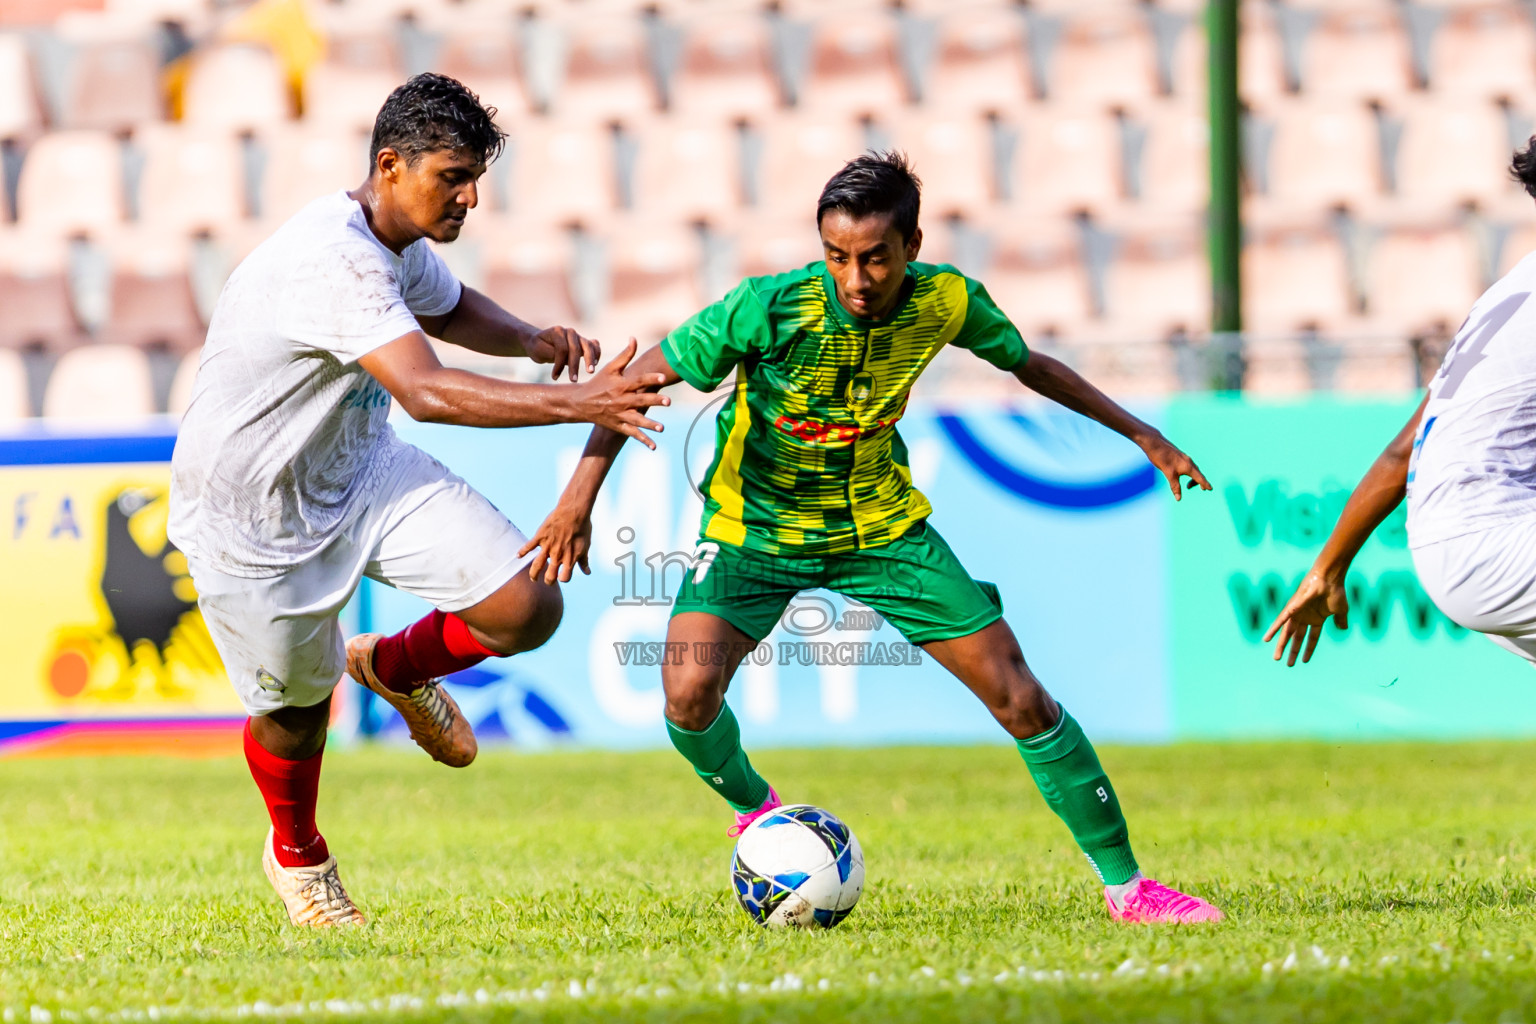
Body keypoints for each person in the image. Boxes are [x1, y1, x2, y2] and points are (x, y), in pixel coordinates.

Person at [523, 152, 1224, 923]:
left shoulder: (946, 300)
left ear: (912, 247)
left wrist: (1142, 433)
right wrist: (576, 502)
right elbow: (636, 384)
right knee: (688, 695)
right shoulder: (766, 308)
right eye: (837, 256)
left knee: (1018, 694)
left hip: (880, 530)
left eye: (875, 258)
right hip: (754, 531)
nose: (855, 278)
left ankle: (1130, 890)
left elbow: (1030, 365)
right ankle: (759, 810)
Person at [168, 74, 668, 927]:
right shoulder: (334, 259)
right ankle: (298, 857)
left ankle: (393, 667)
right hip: (255, 515)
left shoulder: (393, 238)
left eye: (476, 177)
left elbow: (447, 305)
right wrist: (581, 401)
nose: (471, 196)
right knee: (294, 715)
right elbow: (427, 392)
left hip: (361, 471)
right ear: (391, 165)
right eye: (453, 177)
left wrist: (528, 340)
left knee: (525, 604)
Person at [1266, 138, 1536, 675]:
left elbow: (1401, 453)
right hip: (1496, 535)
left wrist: (1329, 567)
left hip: (1448, 548)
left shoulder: (1504, 295)